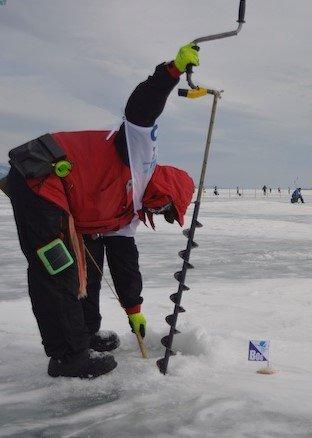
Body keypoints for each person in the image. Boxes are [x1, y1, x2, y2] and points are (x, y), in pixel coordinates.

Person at [5, 44, 197, 378]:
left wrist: (133, 309)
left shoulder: (128, 214)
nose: (162, 213)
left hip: (61, 194)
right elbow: (139, 111)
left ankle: (86, 333)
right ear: (166, 192)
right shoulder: (143, 161)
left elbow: (123, 260)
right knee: (58, 265)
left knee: (90, 255)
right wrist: (170, 72)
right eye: (168, 209)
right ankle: (68, 355)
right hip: (40, 176)